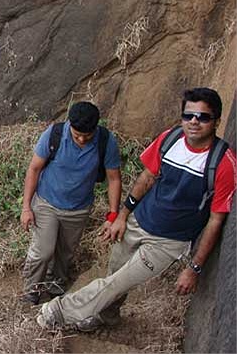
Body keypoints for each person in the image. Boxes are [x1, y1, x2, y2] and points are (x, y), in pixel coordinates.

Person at [37, 87, 236, 331]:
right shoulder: (171, 138)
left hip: (168, 242)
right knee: (114, 276)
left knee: (116, 283)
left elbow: (215, 220)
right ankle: (105, 319)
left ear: (216, 121)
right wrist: (122, 215)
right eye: (188, 115)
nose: (194, 122)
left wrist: (194, 268)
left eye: (203, 117)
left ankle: (57, 312)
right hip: (138, 222)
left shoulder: (223, 164)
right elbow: (147, 177)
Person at [20, 101, 122, 304]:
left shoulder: (106, 141)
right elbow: (34, 169)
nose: (82, 139)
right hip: (46, 203)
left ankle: (55, 286)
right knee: (43, 251)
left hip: (78, 210)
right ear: (69, 125)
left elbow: (114, 179)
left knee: (65, 253)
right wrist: (26, 208)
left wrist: (112, 215)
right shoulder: (54, 134)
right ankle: (30, 291)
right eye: (77, 135)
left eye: (87, 135)